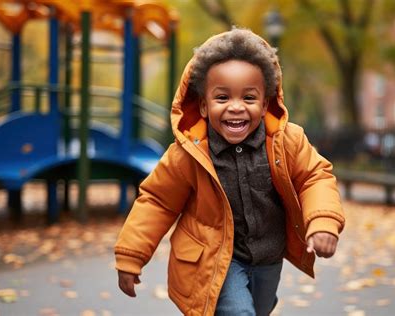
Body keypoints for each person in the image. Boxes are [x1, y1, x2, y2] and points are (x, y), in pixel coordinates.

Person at [115, 28, 345, 315]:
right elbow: (157, 201)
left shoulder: (286, 142)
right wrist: (131, 254)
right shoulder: (189, 153)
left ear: (264, 104)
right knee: (239, 313)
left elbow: (315, 177)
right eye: (222, 98)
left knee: (258, 309)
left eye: (248, 98)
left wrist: (323, 221)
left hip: (268, 257)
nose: (236, 107)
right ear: (202, 105)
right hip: (217, 259)